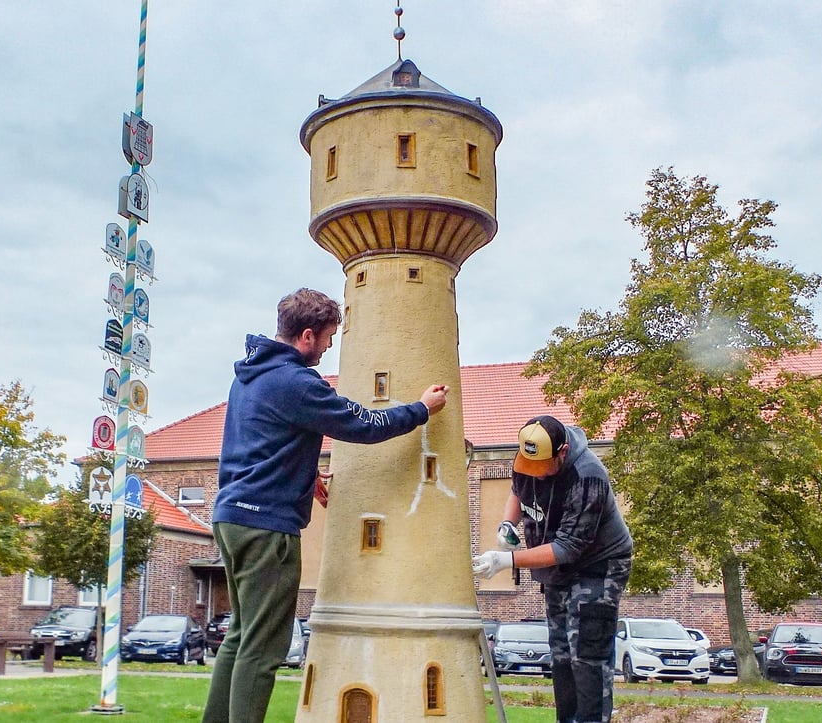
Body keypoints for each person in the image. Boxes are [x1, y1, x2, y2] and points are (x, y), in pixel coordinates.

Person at [202, 288, 449, 723]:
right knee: (263, 647)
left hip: (231, 517)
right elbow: (361, 423)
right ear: (308, 336)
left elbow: (262, 440)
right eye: (329, 337)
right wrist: (420, 409)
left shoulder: (250, 377)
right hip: (267, 527)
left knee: (240, 636)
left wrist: (305, 473)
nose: (329, 347)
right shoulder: (298, 382)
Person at [473, 415, 632, 723]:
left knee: (586, 652)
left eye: (542, 466)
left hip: (598, 565)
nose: (535, 473)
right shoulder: (528, 456)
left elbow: (568, 547)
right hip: (557, 567)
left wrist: (508, 560)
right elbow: (518, 491)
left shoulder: (588, 477)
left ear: (562, 451)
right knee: (561, 653)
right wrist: (508, 523)